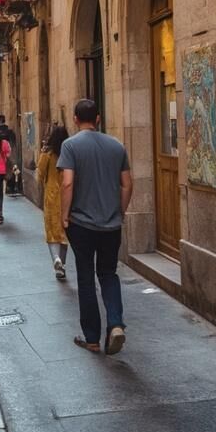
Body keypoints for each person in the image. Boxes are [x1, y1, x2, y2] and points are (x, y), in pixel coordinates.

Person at [59, 99, 133, 356]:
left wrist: (64, 216)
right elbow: (127, 184)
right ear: (98, 118)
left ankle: (92, 337)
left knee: (86, 276)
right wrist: (120, 212)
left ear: (75, 119)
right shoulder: (117, 146)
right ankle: (115, 324)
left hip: (81, 224)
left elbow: (67, 183)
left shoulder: (70, 146)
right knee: (109, 273)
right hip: (111, 224)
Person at [37, 125, 70, 281]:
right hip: (67, 195)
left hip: (51, 195)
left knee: (51, 231)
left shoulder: (47, 154)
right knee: (64, 232)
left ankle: (56, 259)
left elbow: (40, 174)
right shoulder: (70, 153)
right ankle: (62, 264)